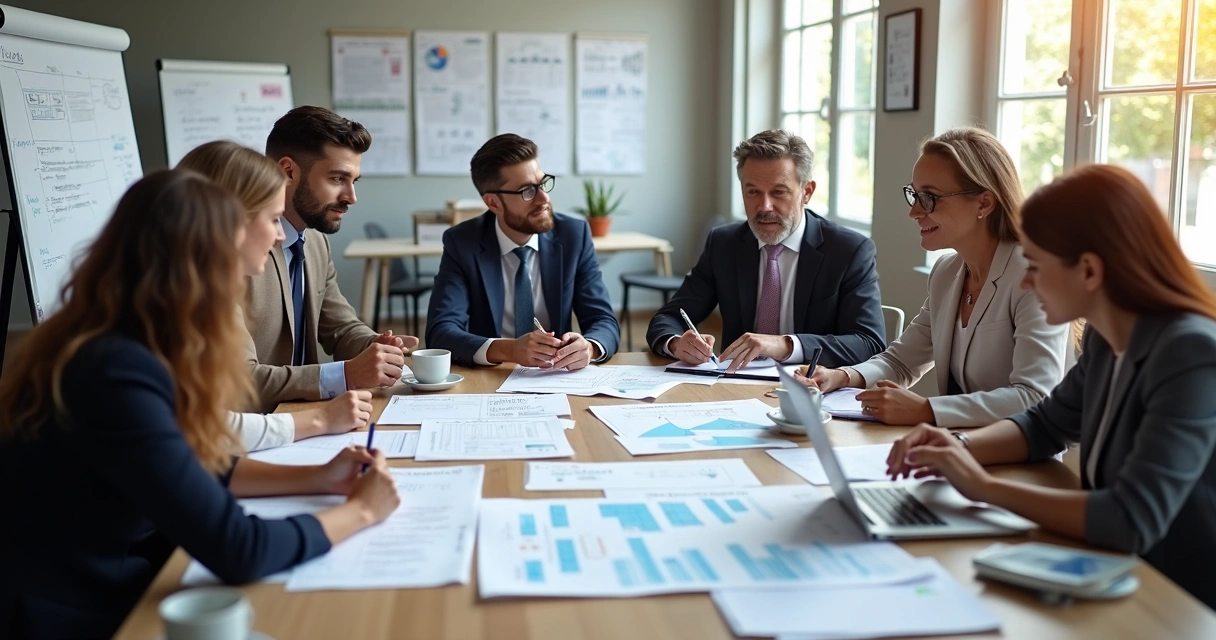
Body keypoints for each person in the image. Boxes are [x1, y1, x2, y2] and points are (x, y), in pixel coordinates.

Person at [0, 171, 401, 638]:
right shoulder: (115, 369)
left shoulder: (120, 339)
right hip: (77, 611)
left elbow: (182, 467)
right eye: (269, 221)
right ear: (206, 255)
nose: (276, 235)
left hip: (111, 578)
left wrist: (316, 476)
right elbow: (238, 549)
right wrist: (361, 513)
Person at [887, 164, 1216, 609]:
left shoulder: (1190, 352)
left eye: (1036, 265)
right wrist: (957, 449)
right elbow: (1044, 426)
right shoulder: (1106, 336)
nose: (1024, 280)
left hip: (1178, 601)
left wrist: (981, 486)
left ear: (1089, 270)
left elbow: (1130, 517)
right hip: (1115, 572)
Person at [799, 128, 1069, 427]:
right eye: (915, 195)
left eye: (930, 198)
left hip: (1021, 463)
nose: (914, 212)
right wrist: (843, 376)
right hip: (954, 448)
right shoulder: (947, 272)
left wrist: (927, 410)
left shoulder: (1034, 277)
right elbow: (901, 361)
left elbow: (1035, 396)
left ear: (984, 204)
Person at [178, 140, 374, 450]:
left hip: (268, 434)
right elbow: (209, 434)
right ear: (227, 222)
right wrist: (324, 413)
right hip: (263, 428)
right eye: (272, 220)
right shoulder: (194, 294)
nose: (280, 236)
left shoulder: (314, 243)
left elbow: (209, 440)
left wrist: (378, 347)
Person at [646, 129, 886, 372]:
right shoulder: (724, 244)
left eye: (778, 192)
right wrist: (676, 343)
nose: (764, 206)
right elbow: (669, 318)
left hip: (813, 389)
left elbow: (869, 342)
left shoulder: (848, 251)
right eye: (753, 192)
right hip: (734, 386)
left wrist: (786, 345)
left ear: (807, 192)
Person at [246, 106, 418, 412]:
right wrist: (347, 374)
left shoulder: (314, 242)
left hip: (304, 414)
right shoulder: (239, 253)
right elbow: (238, 378)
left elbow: (340, 327)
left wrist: (376, 346)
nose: (351, 197)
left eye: (354, 181)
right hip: (250, 429)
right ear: (288, 172)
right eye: (338, 179)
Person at [426, 134, 620, 368]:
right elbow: (441, 332)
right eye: (527, 191)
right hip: (490, 377)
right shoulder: (463, 243)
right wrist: (508, 349)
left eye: (542, 183)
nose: (543, 198)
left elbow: (603, 319)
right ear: (493, 203)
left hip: (553, 376)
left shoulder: (573, 236)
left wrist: (588, 347)